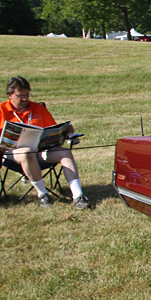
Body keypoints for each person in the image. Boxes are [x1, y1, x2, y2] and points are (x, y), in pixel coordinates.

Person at [1, 76, 91, 208]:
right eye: (20, 96)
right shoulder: (1, 110)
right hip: (12, 154)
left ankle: (78, 196)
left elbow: (52, 129)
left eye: (27, 94)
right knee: (27, 152)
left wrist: (65, 131)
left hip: (41, 150)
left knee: (65, 152)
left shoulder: (38, 108)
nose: (25, 99)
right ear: (10, 95)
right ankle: (43, 194)